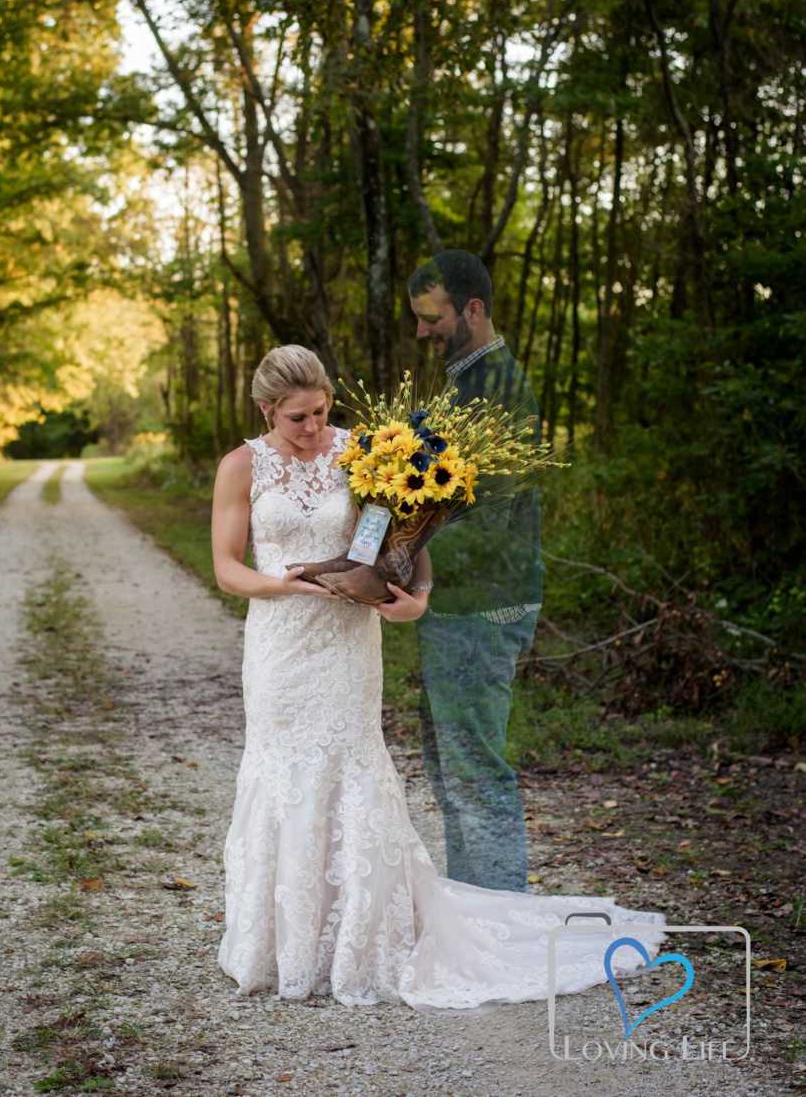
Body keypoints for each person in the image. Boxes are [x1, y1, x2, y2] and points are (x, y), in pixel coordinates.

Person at [211, 342, 665, 1009]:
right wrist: (295, 588)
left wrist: (415, 599)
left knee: (352, 764)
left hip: (347, 646)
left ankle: (364, 938)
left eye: (321, 412)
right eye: (297, 419)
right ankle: (281, 945)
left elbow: (410, 541)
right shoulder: (241, 465)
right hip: (280, 644)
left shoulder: (365, 454)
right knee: (281, 769)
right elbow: (228, 566)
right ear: (266, 409)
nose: (313, 430)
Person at [408, 249, 543, 892]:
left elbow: (489, 520)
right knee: (449, 771)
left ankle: (502, 923)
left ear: (473, 308)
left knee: (473, 772)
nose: (422, 331)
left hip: (485, 607)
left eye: (431, 317)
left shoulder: (501, 388)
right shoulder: (464, 381)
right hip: (452, 604)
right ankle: (473, 912)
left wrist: (400, 561)